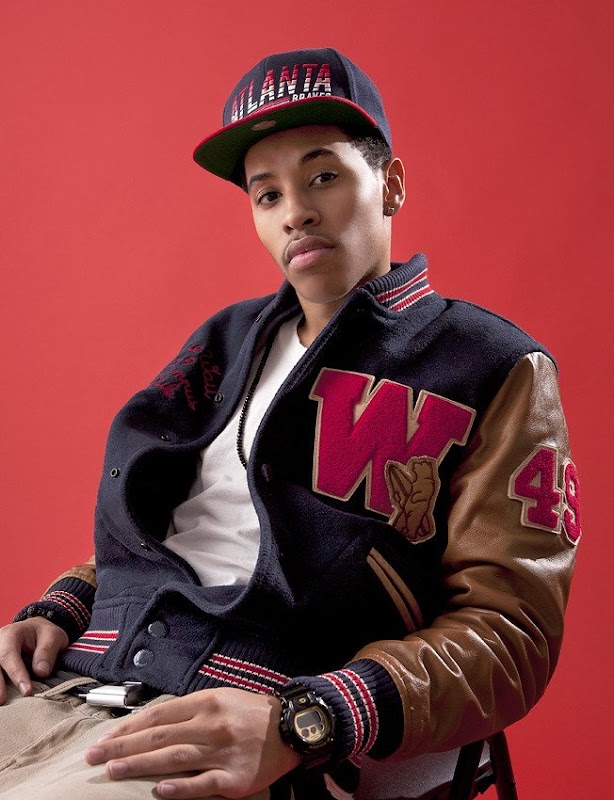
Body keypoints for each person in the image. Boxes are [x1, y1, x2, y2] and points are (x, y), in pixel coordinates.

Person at [0, 48, 580, 800]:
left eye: (323, 177)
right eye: (266, 193)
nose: (295, 211)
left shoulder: (490, 365)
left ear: (391, 184)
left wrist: (308, 720)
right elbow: (170, 532)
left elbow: (510, 634)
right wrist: (64, 605)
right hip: (76, 681)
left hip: (255, 722)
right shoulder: (223, 344)